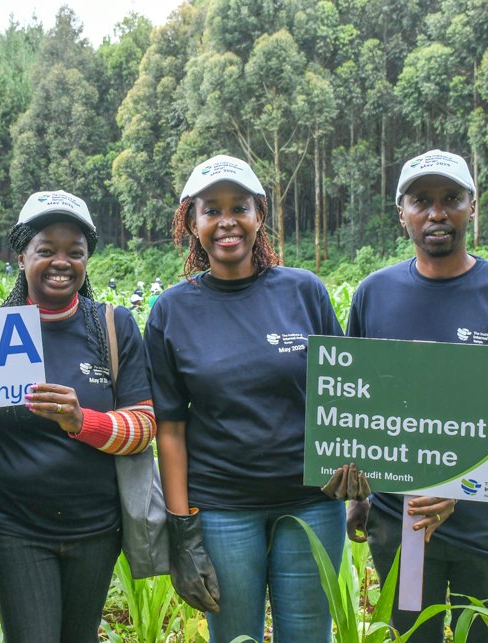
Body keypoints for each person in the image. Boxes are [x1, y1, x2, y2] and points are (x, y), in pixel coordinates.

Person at [345, 149, 488, 643]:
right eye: (421, 200)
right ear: (400, 212)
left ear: (473, 206)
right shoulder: (374, 294)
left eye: (451, 198)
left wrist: (459, 486)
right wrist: (357, 498)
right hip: (404, 532)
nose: (436, 212)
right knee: (412, 636)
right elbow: (357, 406)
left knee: (487, 636)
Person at [145, 154, 346, 642]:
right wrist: (182, 530)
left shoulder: (304, 292)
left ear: (260, 214)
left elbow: (343, 394)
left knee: (308, 634)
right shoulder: (171, 310)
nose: (226, 221)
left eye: (240, 207)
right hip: (222, 509)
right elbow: (170, 429)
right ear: (191, 223)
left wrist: (357, 466)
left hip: (312, 504)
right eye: (211, 210)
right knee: (236, 637)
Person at [0, 190, 156, 643]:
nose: (62, 261)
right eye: (46, 250)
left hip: (97, 529)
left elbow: (143, 428)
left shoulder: (113, 327)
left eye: (74, 252)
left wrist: (82, 421)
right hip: (15, 526)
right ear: (22, 256)